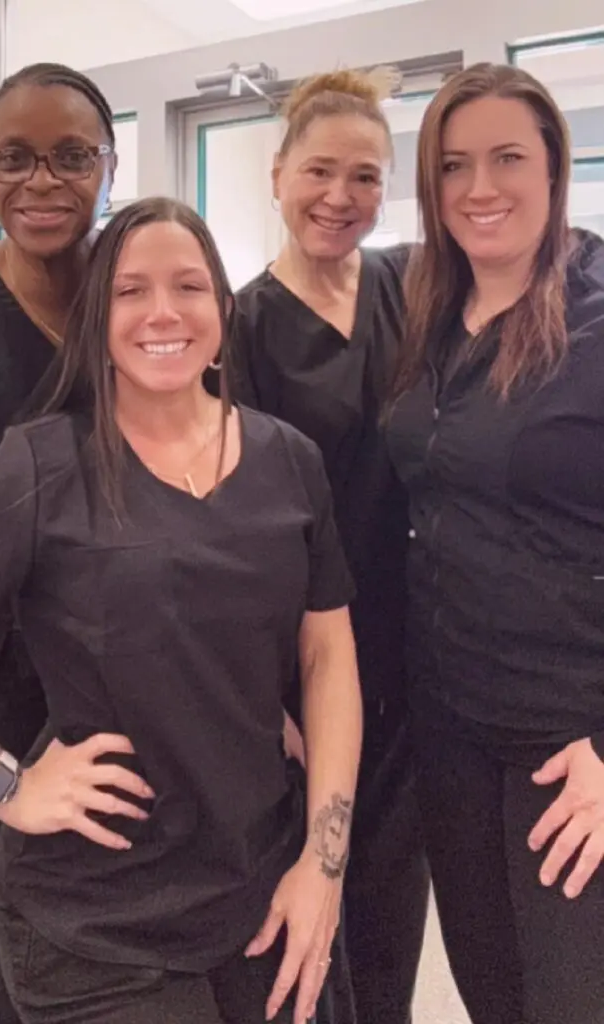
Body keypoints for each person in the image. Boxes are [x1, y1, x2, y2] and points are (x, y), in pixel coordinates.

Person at [0, 195, 363, 1024]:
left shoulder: (290, 461)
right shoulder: (38, 464)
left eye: (188, 287)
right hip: (94, 924)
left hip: (264, 889)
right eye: (132, 291)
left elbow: (327, 661)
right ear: (97, 316)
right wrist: (1, 785)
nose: (163, 313)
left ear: (224, 307)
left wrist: (324, 866)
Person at [387, 62, 604, 1024]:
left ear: (555, 167)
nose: (480, 189)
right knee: (493, 999)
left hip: (567, 747)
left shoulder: (595, 317)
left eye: (507, 158)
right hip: (447, 732)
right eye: (453, 165)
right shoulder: (423, 313)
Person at [229, 71, 429, 1024]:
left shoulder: (407, 287)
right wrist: (268, 692)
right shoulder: (241, 324)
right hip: (302, 665)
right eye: (318, 171)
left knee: (392, 911)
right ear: (276, 176)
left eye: (363, 177)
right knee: (308, 925)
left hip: (415, 652)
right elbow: (234, 524)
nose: (338, 198)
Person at [0, 61, 117, 1024]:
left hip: (146, 650)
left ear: (108, 162)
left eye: (70, 156)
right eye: (14, 158)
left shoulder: (138, 296)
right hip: (8, 683)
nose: (42, 182)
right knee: (21, 950)